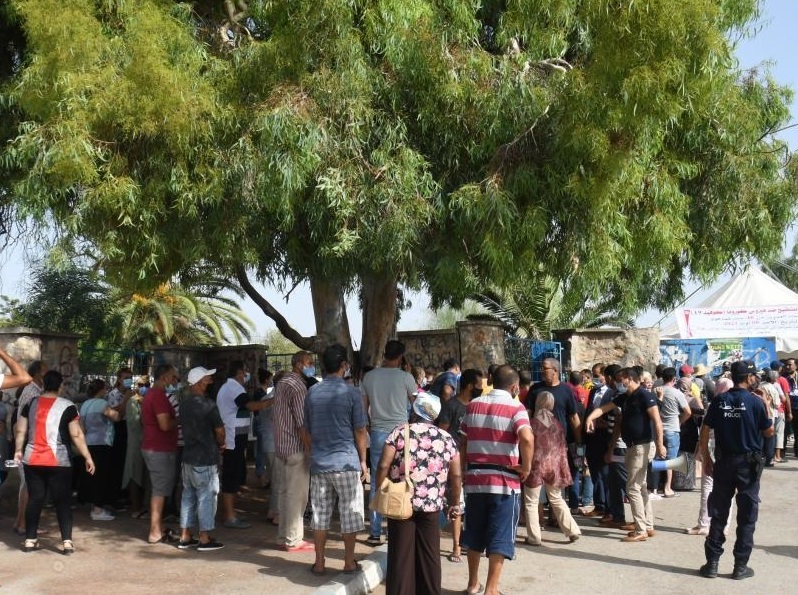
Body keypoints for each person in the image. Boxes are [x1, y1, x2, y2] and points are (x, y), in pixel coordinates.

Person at [375, 393, 461, 595]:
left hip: (400, 502)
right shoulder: (446, 438)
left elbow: (383, 465)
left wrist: (380, 489)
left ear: (415, 410)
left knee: (400, 556)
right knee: (430, 556)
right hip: (432, 505)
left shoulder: (399, 433)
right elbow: (456, 475)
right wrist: (455, 502)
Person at [460, 365, 533, 595]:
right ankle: (491, 589)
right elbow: (527, 439)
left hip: (475, 480)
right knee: (500, 536)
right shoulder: (516, 407)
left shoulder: (473, 405)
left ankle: (473, 584)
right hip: (504, 483)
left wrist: (463, 470)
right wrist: (526, 467)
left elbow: (463, 441)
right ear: (514, 387)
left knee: (474, 533)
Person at [699, 360, 774, 580]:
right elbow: (769, 432)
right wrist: (767, 406)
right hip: (747, 466)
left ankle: (712, 564)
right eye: (754, 376)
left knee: (718, 514)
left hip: (724, 463)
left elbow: (705, 428)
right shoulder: (756, 402)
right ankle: (740, 567)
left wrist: (705, 457)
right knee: (747, 517)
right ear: (749, 378)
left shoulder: (720, 400)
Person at [13, 370, 95, 554]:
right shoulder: (68, 406)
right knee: (62, 501)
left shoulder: (30, 403)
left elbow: (21, 430)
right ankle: (67, 543)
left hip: (32, 459)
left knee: (35, 499)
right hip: (60, 461)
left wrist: (18, 450)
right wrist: (88, 456)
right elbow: (76, 434)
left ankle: (30, 541)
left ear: (43, 384)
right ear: (60, 386)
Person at [303, 344, 368, 575]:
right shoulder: (352, 393)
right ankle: (349, 562)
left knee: (320, 515)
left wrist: (313, 453)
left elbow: (306, 430)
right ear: (343, 365)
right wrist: (363, 461)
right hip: (346, 463)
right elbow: (360, 430)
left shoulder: (312, 392)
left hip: (320, 464)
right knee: (350, 514)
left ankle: (319, 563)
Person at [585, 367, 665, 542]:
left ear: (629, 378)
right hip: (632, 446)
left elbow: (657, 421)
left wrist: (660, 444)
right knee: (640, 487)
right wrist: (590, 417)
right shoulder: (626, 397)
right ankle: (647, 525)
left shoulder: (645, 395)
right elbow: (604, 408)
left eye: (620, 379)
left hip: (642, 446)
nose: (618, 382)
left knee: (633, 488)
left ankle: (640, 529)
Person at [360, 339, 417, 545]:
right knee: (402, 478)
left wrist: (369, 426)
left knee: (377, 480)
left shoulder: (369, 377)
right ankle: (398, 526)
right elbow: (417, 405)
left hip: (378, 433)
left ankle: (375, 532)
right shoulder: (406, 377)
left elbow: (363, 408)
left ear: (385, 354)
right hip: (401, 433)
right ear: (400, 357)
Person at [216, 360, 270, 529]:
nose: (247, 375)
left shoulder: (228, 387)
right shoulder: (234, 388)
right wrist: (273, 401)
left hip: (235, 437)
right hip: (232, 439)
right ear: (239, 373)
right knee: (231, 477)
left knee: (233, 475)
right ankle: (230, 516)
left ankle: (230, 513)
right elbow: (251, 405)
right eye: (245, 371)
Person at [436, 367, 483, 563]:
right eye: (479, 385)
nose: (481, 388)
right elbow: (441, 432)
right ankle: (456, 546)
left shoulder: (477, 406)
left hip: (474, 462)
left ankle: (468, 543)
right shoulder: (451, 406)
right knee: (456, 504)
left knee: (471, 506)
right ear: (470, 386)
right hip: (453, 464)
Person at [523, 391, 582, 545]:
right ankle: (572, 530)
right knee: (556, 498)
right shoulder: (557, 424)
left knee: (531, 502)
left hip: (535, 466)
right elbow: (562, 447)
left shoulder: (532, 424)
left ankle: (534, 537)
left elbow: (526, 444)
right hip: (554, 466)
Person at [178, 366, 225, 552]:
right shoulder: (208, 405)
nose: (210, 381)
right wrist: (221, 443)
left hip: (188, 457)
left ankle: (185, 535)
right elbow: (219, 431)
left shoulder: (184, 404)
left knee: (188, 497)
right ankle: (204, 538)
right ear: (198, 383)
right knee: (206, 497)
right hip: (205, 458)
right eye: (206, 378)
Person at [273, 351, 315, 552]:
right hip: (296, 448)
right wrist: (309, 448)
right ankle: (294, 539)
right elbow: (301, 423)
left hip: (281, 446)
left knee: (284, 494)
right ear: (299, 364)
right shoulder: (298, 387)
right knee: (297, 496)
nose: (311, 366)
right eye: (309, 362)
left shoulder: (282, 382)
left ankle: (283, 536)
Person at [686, 377, 734, 536]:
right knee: (728, 489)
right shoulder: (740, 405)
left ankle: (704, 524)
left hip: (713, 447)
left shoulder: (715, 405)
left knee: (708, 486)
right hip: (731, 450)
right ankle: (724, 525)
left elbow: (705, 429)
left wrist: (701, 449)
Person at [141, 363, 180, 544]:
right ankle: (155, 531)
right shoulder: (157, 396)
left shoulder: (153, 394)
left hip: (156, 446)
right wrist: (180, 419)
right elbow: (164, 425)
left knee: (160, 489)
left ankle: (157, 527)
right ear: (164, 377)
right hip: (159, 448)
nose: (175, 381)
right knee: (159, 490)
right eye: (173, 377)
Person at [79, 378, 120, 521]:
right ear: (101, 390)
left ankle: (94, 506)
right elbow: (116, 417)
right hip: (102, 443)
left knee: (92, 476)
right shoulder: (102, 403)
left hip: (88, 443)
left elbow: (81, 427)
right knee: (101, 476)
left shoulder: (85, 405)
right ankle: (97, 510)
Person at [12, 359, 45, 536]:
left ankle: (20, 522)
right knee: (30, 484)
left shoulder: (33, 390)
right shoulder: (32, 391)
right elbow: (27, 419)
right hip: (28, 440)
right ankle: (24, 523)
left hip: (25, 439)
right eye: (45, 370)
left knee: (26, 484)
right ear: (38, 373)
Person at [653, 367, 690, 497]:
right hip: (672, 429)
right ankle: (667, 488)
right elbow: (688, 412)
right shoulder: (677, 393)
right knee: (671, 460)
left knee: (658, 458)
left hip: (657, 429)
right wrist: (679, 421)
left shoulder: (655, 391)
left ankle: (656, 487)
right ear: (674, 379)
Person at [123, 375, 149, 518]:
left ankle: (142, 506)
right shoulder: (133, 402)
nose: (143, 388)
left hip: (146, 442)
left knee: (143, 476)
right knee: (134, 474)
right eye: (140, 385)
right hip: (136, 442)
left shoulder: (145, 401)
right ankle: (135, 507)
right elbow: (136, 423)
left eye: (146, 385)